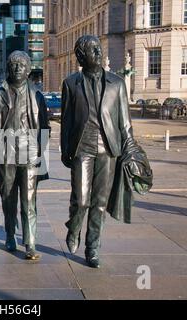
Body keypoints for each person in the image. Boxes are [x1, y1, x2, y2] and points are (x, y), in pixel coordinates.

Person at [60, 35, 135, 268]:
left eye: (98, 49)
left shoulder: (117, 83)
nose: (98, 53)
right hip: (82, 146)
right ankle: (73, 229)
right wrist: (65, 150)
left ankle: (92, 247)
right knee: (81, 200)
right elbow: (67, 121)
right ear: (82, 56)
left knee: (100, 202)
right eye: (93, 50)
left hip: (108, 148)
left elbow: (125, 122)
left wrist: (130, 148)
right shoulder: (71, 83)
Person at [0, 51, 50, 260]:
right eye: (13, 64)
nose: (17, 68)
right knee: (8, 198)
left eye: (21, 65)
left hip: (30, 151)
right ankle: (9, 233)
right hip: (5, 151)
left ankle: (30, 242)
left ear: (29, 69)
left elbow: (44, 127)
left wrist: (41, 153)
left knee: (29, 199)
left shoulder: (37, 96)